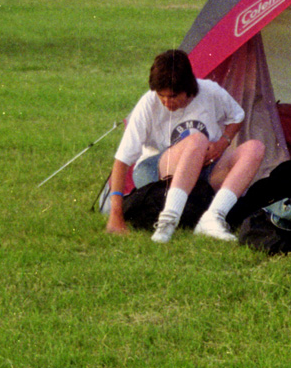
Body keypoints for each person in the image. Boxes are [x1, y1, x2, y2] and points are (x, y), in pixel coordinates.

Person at [105, 49, 266, 243]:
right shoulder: (148, 103)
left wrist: (222, 143)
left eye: (172, 96)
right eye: (161, 96)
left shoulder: (210, 91)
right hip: (158, 169)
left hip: (204, 169)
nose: (166, 102)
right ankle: (168, 220)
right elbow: (122, 160)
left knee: (255, 148)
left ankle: (213, 217)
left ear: (188, 88)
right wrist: (115, 214)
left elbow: (237, 116)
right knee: (197, 139)